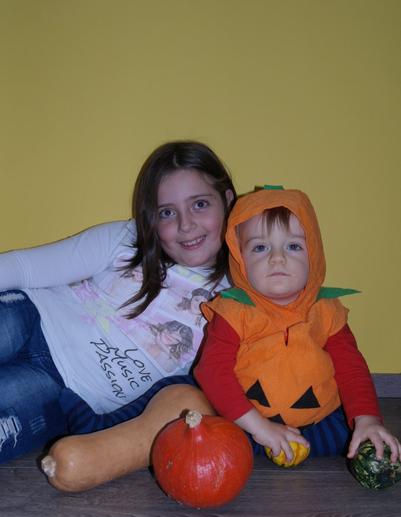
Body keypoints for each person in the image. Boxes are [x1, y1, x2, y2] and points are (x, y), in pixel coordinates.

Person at [0, 140, 236, 464]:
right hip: (31, 318)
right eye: (167, 212)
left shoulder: (239, 300)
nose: (185, 224)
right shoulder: (127, 239)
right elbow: (24, 268)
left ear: (227, 200)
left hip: (63, 390)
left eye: (200, 204)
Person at [195, 188, 401, 464]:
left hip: (316, 416)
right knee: (213, 430)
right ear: (240, 258)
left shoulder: (326, 310)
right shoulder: (234, 311)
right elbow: (212, 371)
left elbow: (351, 368)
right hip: (247, 419)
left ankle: (292, 443)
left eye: (293, 246)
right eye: (260, 247)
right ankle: (265, 441)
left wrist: (368, 419)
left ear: (313, 253)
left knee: (350, 436)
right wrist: (260, 428)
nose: (277, 258)